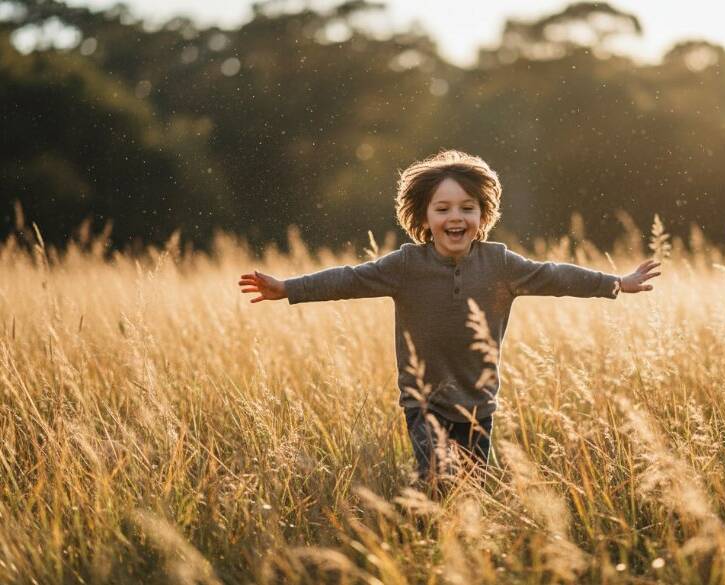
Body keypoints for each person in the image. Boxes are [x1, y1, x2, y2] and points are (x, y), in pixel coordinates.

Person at [238, 150, 660, 495]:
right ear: (424, 219)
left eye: (467, 208)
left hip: (479, 403)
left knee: (473, 492)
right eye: (442, 208)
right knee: (439, 481)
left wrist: (616, 283)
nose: (455, 217)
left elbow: (554, 274)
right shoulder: (406, 264)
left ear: (483, 215)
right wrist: (289, 288)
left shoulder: (500, 263)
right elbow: (350, 278)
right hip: (424, 402)